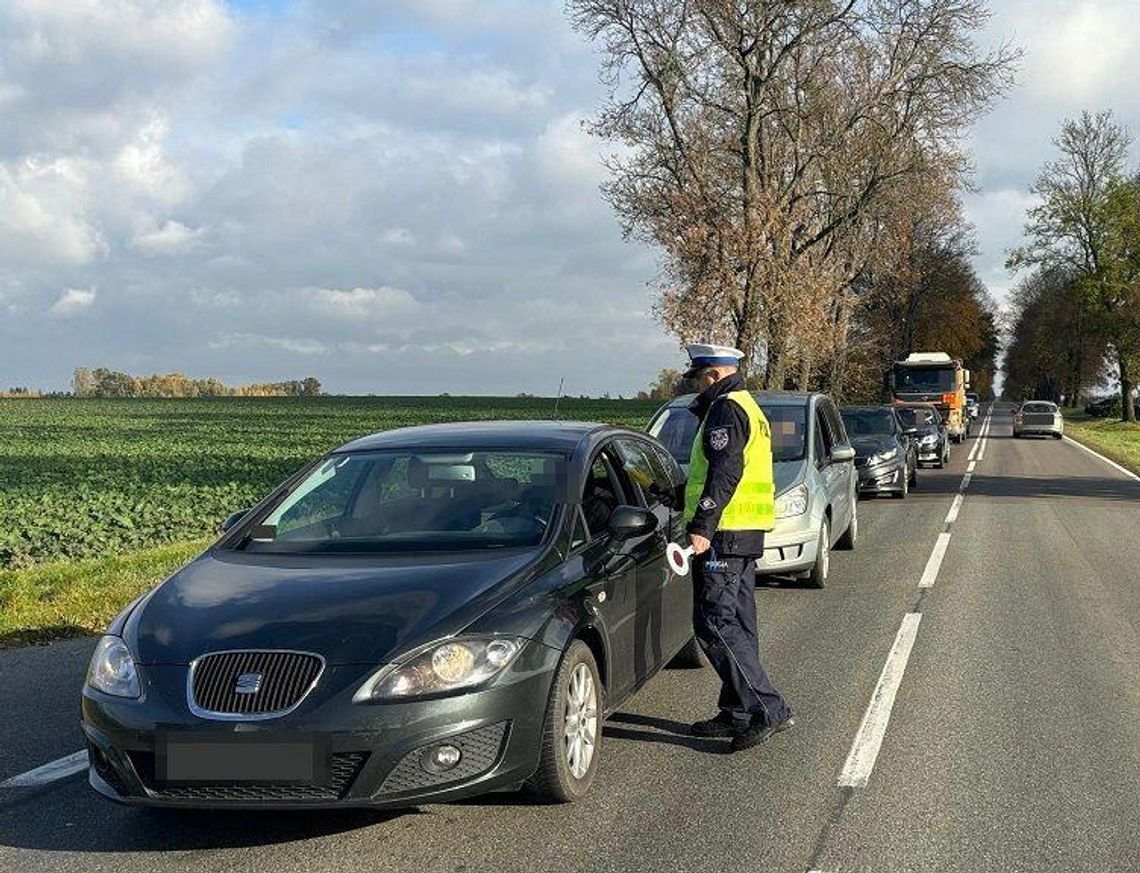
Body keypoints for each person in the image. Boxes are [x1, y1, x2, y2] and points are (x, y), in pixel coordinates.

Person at [682, 343, 794, 751]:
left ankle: (768, 708)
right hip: (746, 531)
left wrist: (702, 526)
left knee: (715, 622)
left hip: (725, 533)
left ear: (712, 374)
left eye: (698, 378)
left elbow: (725, 471)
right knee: (740, 623)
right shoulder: (749, 405)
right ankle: (737, 711)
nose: (696, 385)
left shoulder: (726, 409)